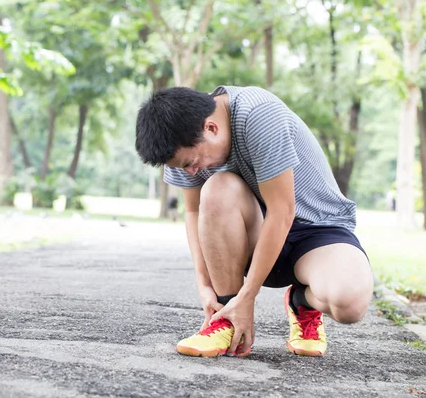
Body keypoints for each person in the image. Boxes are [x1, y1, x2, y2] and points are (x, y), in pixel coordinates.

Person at [135, 86, 373, 357]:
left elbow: (282, 211)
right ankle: (225, 319)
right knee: (216, 189)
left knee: (350, 304)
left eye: (192, 162)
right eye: (182, 168)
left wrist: (248, 297)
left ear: (211, 128)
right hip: (254, 235)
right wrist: (204, 284)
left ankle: (301, 302)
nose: (191, 171)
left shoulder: (258, 114)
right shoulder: (179, 141)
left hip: (317, 231)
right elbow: (193, 212)